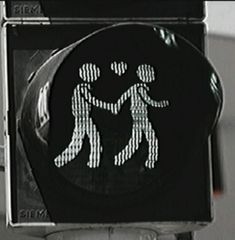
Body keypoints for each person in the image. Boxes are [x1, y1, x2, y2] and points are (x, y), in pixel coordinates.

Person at [54, 63, 116, 168]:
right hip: (83, 118)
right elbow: (93, 101)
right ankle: (59, 161)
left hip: (83, 118)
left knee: (91, 139)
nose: (96, 76)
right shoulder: (82, 88)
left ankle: (93, 163)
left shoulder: (81, 88)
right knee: (79, 143)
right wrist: (109, 106)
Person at [114, 64, 169, 169]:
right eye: (151, 73)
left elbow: (124, 96)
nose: (153, 76)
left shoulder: (135, 87)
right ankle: (150, 161)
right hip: (141, 118)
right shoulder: (140, 88)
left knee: (137, 140)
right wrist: (161, 104)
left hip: (139, 117)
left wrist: (117, 106)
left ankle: (120, 159)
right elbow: (148, 100)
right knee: (150, 138)